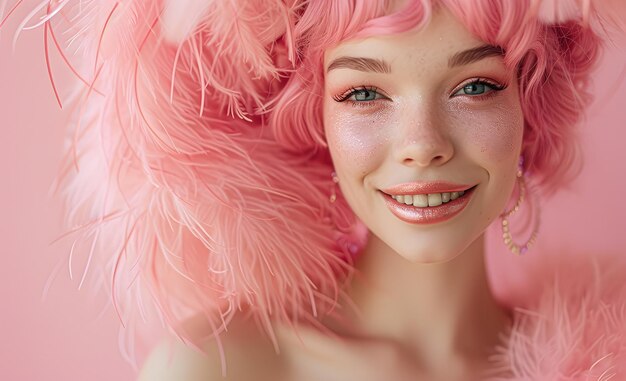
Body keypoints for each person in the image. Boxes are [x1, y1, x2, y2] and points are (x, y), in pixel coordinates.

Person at [9, 0, 625, 379]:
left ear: (531, 108)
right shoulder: (223, 370)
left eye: (475, 87)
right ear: (316, 122)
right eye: (364, 93)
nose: (423, 143)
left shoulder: (607, 360)